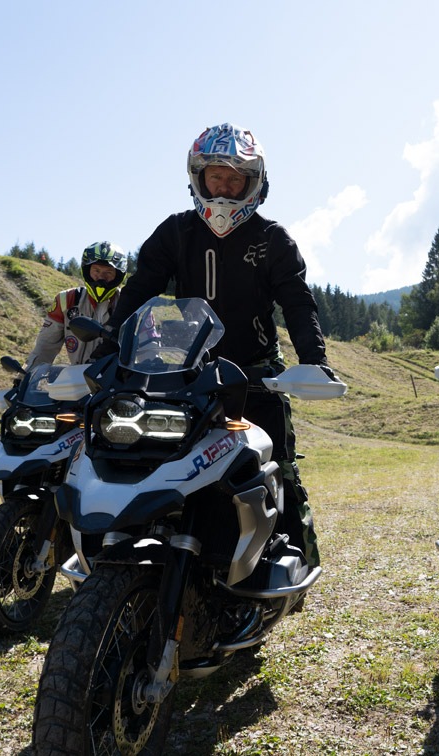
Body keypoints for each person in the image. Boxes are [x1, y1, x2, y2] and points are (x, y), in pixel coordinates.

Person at [90, 122, 332, 567]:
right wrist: (108, 345)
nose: (223, 188)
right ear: (198, 179)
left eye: (235, 178)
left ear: (253, 184)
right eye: (216, 177)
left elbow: (298, 303)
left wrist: (314, 360)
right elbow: (140, 290)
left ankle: (297, 558)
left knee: (276, 466)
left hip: (255, 374)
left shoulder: (272, 238)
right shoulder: (176, 232)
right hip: (185, 372)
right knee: (149, 455)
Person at [24, 241, 127, 369]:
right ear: (86, 270)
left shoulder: (130, 303)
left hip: (117, 381)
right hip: (77, 380)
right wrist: (26, 377)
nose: (101, 277)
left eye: (108, 272)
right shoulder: (66, 299)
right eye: (96, 270)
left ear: (118, 275)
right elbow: (45, 346)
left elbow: (148, 346)